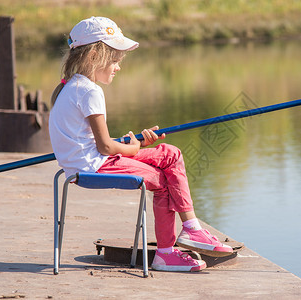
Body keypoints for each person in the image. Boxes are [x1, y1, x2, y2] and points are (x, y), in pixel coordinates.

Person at [49, 16, 232, 272]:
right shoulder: (90, 91)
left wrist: (135, 141)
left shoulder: (71, 87)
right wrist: (132, 149)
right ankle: (167, 252)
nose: (118, 67)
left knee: (170, 153)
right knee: (164, 179)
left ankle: (191, 229)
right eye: (114, 60)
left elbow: (94, 142)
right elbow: (105, 148)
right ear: (93, 57)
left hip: (89, 162)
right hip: (96, 167)